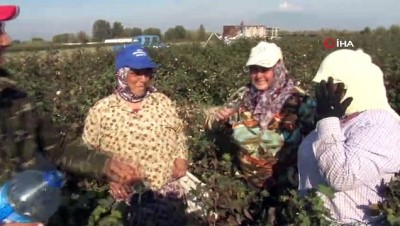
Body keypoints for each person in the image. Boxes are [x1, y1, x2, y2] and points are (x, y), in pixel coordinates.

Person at [0, 5, 142, 226]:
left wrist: (105, 165)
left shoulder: (16, 99)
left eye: (3, 28)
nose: (6, 40)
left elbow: (58, 147)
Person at [82, 44, 189, 225]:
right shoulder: (103, 109)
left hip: (165, 190)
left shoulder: (162, 101)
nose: (143, 79)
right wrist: (110, 177)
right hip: (126, 196)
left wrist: (181, 157)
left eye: (147, 73)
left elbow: (179, 133)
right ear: (122, 74)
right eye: (136, 73)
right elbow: (87, 153)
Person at [297, 48, 400, 225]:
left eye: (334, 85)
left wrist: (328, 119)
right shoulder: (339, 121)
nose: (327, 92)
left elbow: (342, 177)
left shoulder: (380, 123)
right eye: (323, 86)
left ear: (356, 85)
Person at [205, 41, 316, 190]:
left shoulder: (300, 103)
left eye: (264, 69)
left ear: (278, 68)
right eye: (254, 69)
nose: (258, 75)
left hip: (284, 189)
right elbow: (221, 129)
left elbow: (316, 146)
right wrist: (224, 120)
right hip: (244, 185)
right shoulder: (243, 97)